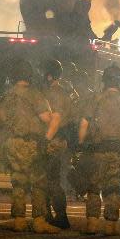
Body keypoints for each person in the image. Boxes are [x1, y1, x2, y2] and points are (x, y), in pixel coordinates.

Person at [0, 59, 59, 234]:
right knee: (38, 182)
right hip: (32, 144)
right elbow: (47, 118)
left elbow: (1, 115)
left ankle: (18, 220)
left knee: (18, 182)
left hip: (13, 142)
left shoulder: (7, 95)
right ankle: (39, 221)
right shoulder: (35, 94)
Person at [79, 65, 120, 235]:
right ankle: (111, 227)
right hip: (119, 150)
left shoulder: (95, 99)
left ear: (104, 80)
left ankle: (91, 224)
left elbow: (84, 124)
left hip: (96, 150)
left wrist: (81, 144)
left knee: (93, 186)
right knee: (113, 187)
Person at [41, 59, 72, 229]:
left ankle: (57, 216)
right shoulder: (63, 91)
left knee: (48, 179)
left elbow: (56, 119)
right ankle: (56, 215)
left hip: (53, 139)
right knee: (52, 179)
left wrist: (45, 140)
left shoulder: (55, 93)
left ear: (49, 75)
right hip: (59, 139)